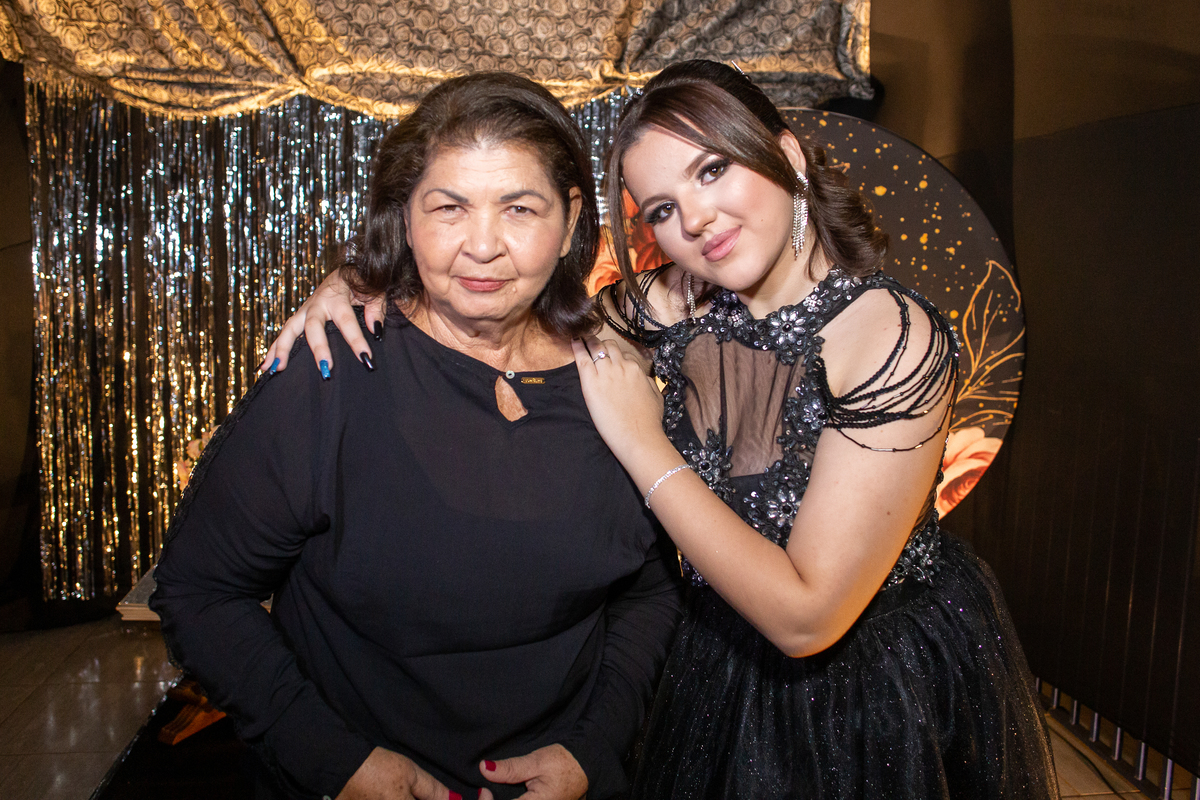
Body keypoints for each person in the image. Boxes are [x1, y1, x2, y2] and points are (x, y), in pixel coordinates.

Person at [267, 62, 1059, 799]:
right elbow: (530, 304)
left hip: (863, 689)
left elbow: (807, 619)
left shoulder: (889, 337)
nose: (697, 220)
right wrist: (359, 280)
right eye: (663, 211)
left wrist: (642, 442)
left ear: (786, 155)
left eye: (712, 170)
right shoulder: (676, 302)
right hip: (713, 652)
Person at [150, 72, 682, 800]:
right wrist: (337, 763)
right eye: (449, 207)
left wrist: (595, 747)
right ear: (405, 218)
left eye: (519, 208)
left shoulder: (615, 380)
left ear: (569, 223)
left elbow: (648, 594)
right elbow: (199, 591)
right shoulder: (334, 369)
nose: (483, 246)